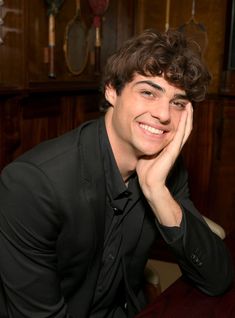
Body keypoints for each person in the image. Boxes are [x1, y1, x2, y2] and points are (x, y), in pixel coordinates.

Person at [0, 29, 233, 318]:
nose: (164, 114)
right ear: (112, 90)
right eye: (148, 92)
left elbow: (217, 278)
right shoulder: (33, 184)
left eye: (178, 103)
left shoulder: (166, 169)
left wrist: (157, 192)